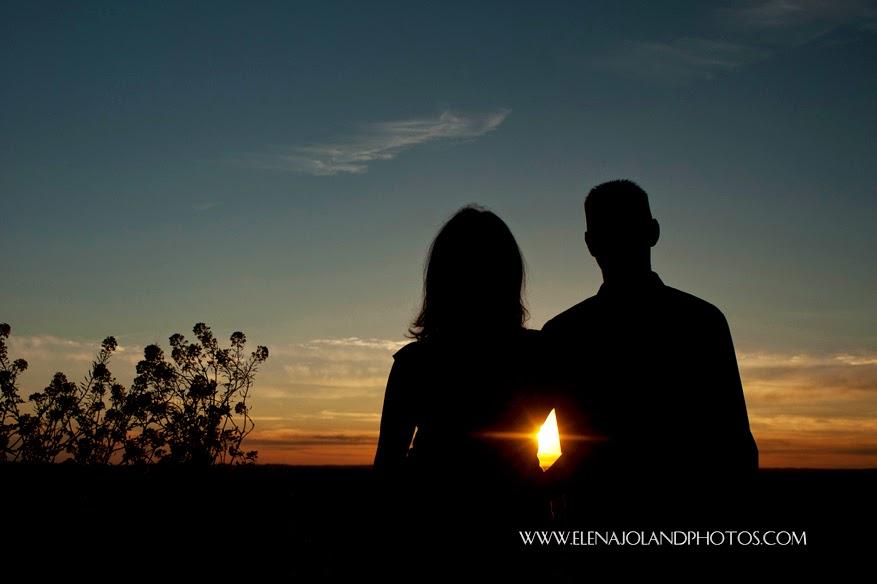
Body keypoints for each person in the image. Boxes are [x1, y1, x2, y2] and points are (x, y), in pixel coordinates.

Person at [541, 180, 758, 518]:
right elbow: (737, 446)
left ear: (589, 244)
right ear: (654, 232)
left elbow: (736, 445)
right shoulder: (702, 321)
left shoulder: (563, 333)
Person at [374, 205, 550, 530]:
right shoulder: (539, 353)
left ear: (439, 280)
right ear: (511, 276)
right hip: (518, 514)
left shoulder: (415, 363)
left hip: (433, 517)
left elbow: (387, 469)